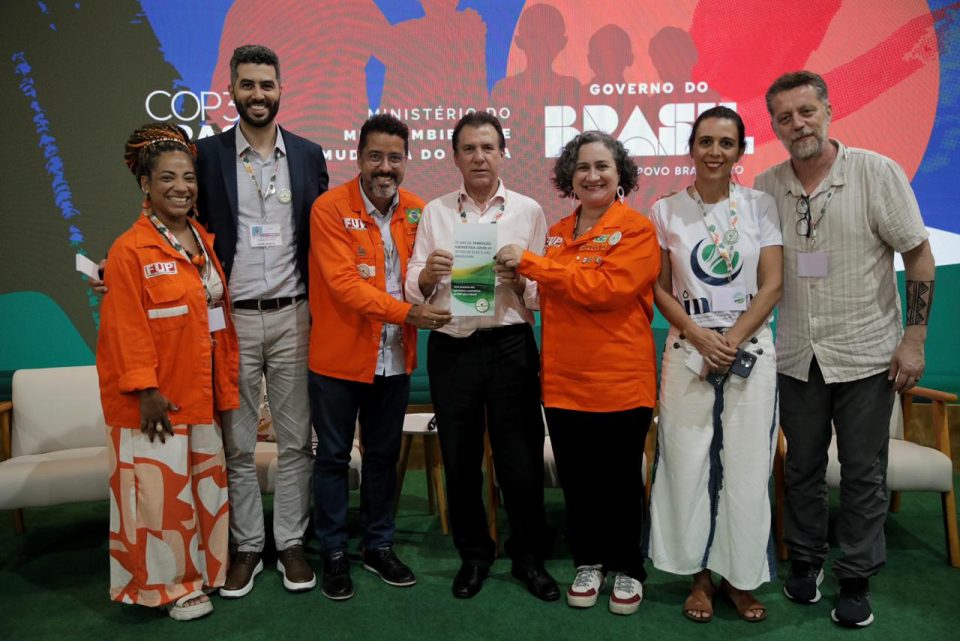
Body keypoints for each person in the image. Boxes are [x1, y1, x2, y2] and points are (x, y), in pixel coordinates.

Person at [756, 70, 934, 628]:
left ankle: (855, 577)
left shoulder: (876, 172)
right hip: (796, 357)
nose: (797, 124)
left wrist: (914, 338)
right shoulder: (765, 185)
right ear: (775, 127)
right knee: (802, 468)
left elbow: (919, 258)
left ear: (828, 110)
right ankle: (806, 564)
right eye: (785, 117)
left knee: (863, 472)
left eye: (806, 111)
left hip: (867, 354)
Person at [496, 130, 659, 615]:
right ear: (570, 176)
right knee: (578, 480)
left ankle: (628, 567)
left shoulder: (637, 229)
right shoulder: (557, 234)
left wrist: (531, 265)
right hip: (565, 382)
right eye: (582, 167)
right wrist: (519, 278)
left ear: (620, 174)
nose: (592, 175)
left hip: (621, 381)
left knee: (622, 480)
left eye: (603, 166)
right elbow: (549, 294)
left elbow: (604, 290)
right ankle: (589, 560)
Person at [404, 112, 557, 601]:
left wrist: (524, 280)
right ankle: (474, 555)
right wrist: (428, 275)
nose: (479, 157)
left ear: (502, 153)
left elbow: (541, 294)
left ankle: (528, 557)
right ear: (454, 157)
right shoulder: (436, 212)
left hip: (510, 345)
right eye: (469, 149)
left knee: (521, 459)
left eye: (487, 147)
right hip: (452, 346)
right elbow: (414, 283)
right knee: (460, 457)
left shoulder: (528, 210)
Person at [195, 45, 328, 597]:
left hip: (295, 313)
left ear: (280, 89)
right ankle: (248, 546)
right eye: (247, 85)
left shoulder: (307, 153)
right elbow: (178, 223)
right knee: (238, 443)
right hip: (233, 320)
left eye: (266, 85)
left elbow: (327, 236)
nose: (257, 94)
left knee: (298, 442)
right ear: (231, 90)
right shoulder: (205, 156)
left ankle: (291, 543)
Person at [97, 123, 239, 621]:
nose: (182, 187)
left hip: (199, 390)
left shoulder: (200, 239)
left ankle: (206, 572)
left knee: (200, 488)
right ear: (144, 185)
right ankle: (169, 587)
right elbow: (124, 328)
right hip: (155, 402)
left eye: (188, 178)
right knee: (158, 501)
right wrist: (146, 391)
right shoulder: (128, 250)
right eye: (167, 179)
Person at [646, 106, 783, 623]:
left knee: (747, 469)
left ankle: (739, 580)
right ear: (691, 147)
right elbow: (660, 287)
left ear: (740, 152)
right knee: (686, 463)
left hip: (751, 352)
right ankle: (699, 578)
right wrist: (700, 335)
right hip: (688, 352)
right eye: (706, 141)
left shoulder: (760, 206)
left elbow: (772, 285)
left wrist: (731, 338)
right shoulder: (665, 211)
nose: (715, 152)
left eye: (726, 143)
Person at [308, 114, 451, 601]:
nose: (384, 167)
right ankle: (330, 551)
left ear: (406, 161)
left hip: (395, 359)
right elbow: (345, 288)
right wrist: (410, 312)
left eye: (394, 158)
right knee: (330, 458)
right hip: (339, 360)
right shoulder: (329, 208)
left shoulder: (417, 210)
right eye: (375, 157)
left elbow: (427, 274)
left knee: (384, 457)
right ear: (359, 159)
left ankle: (378, 545)